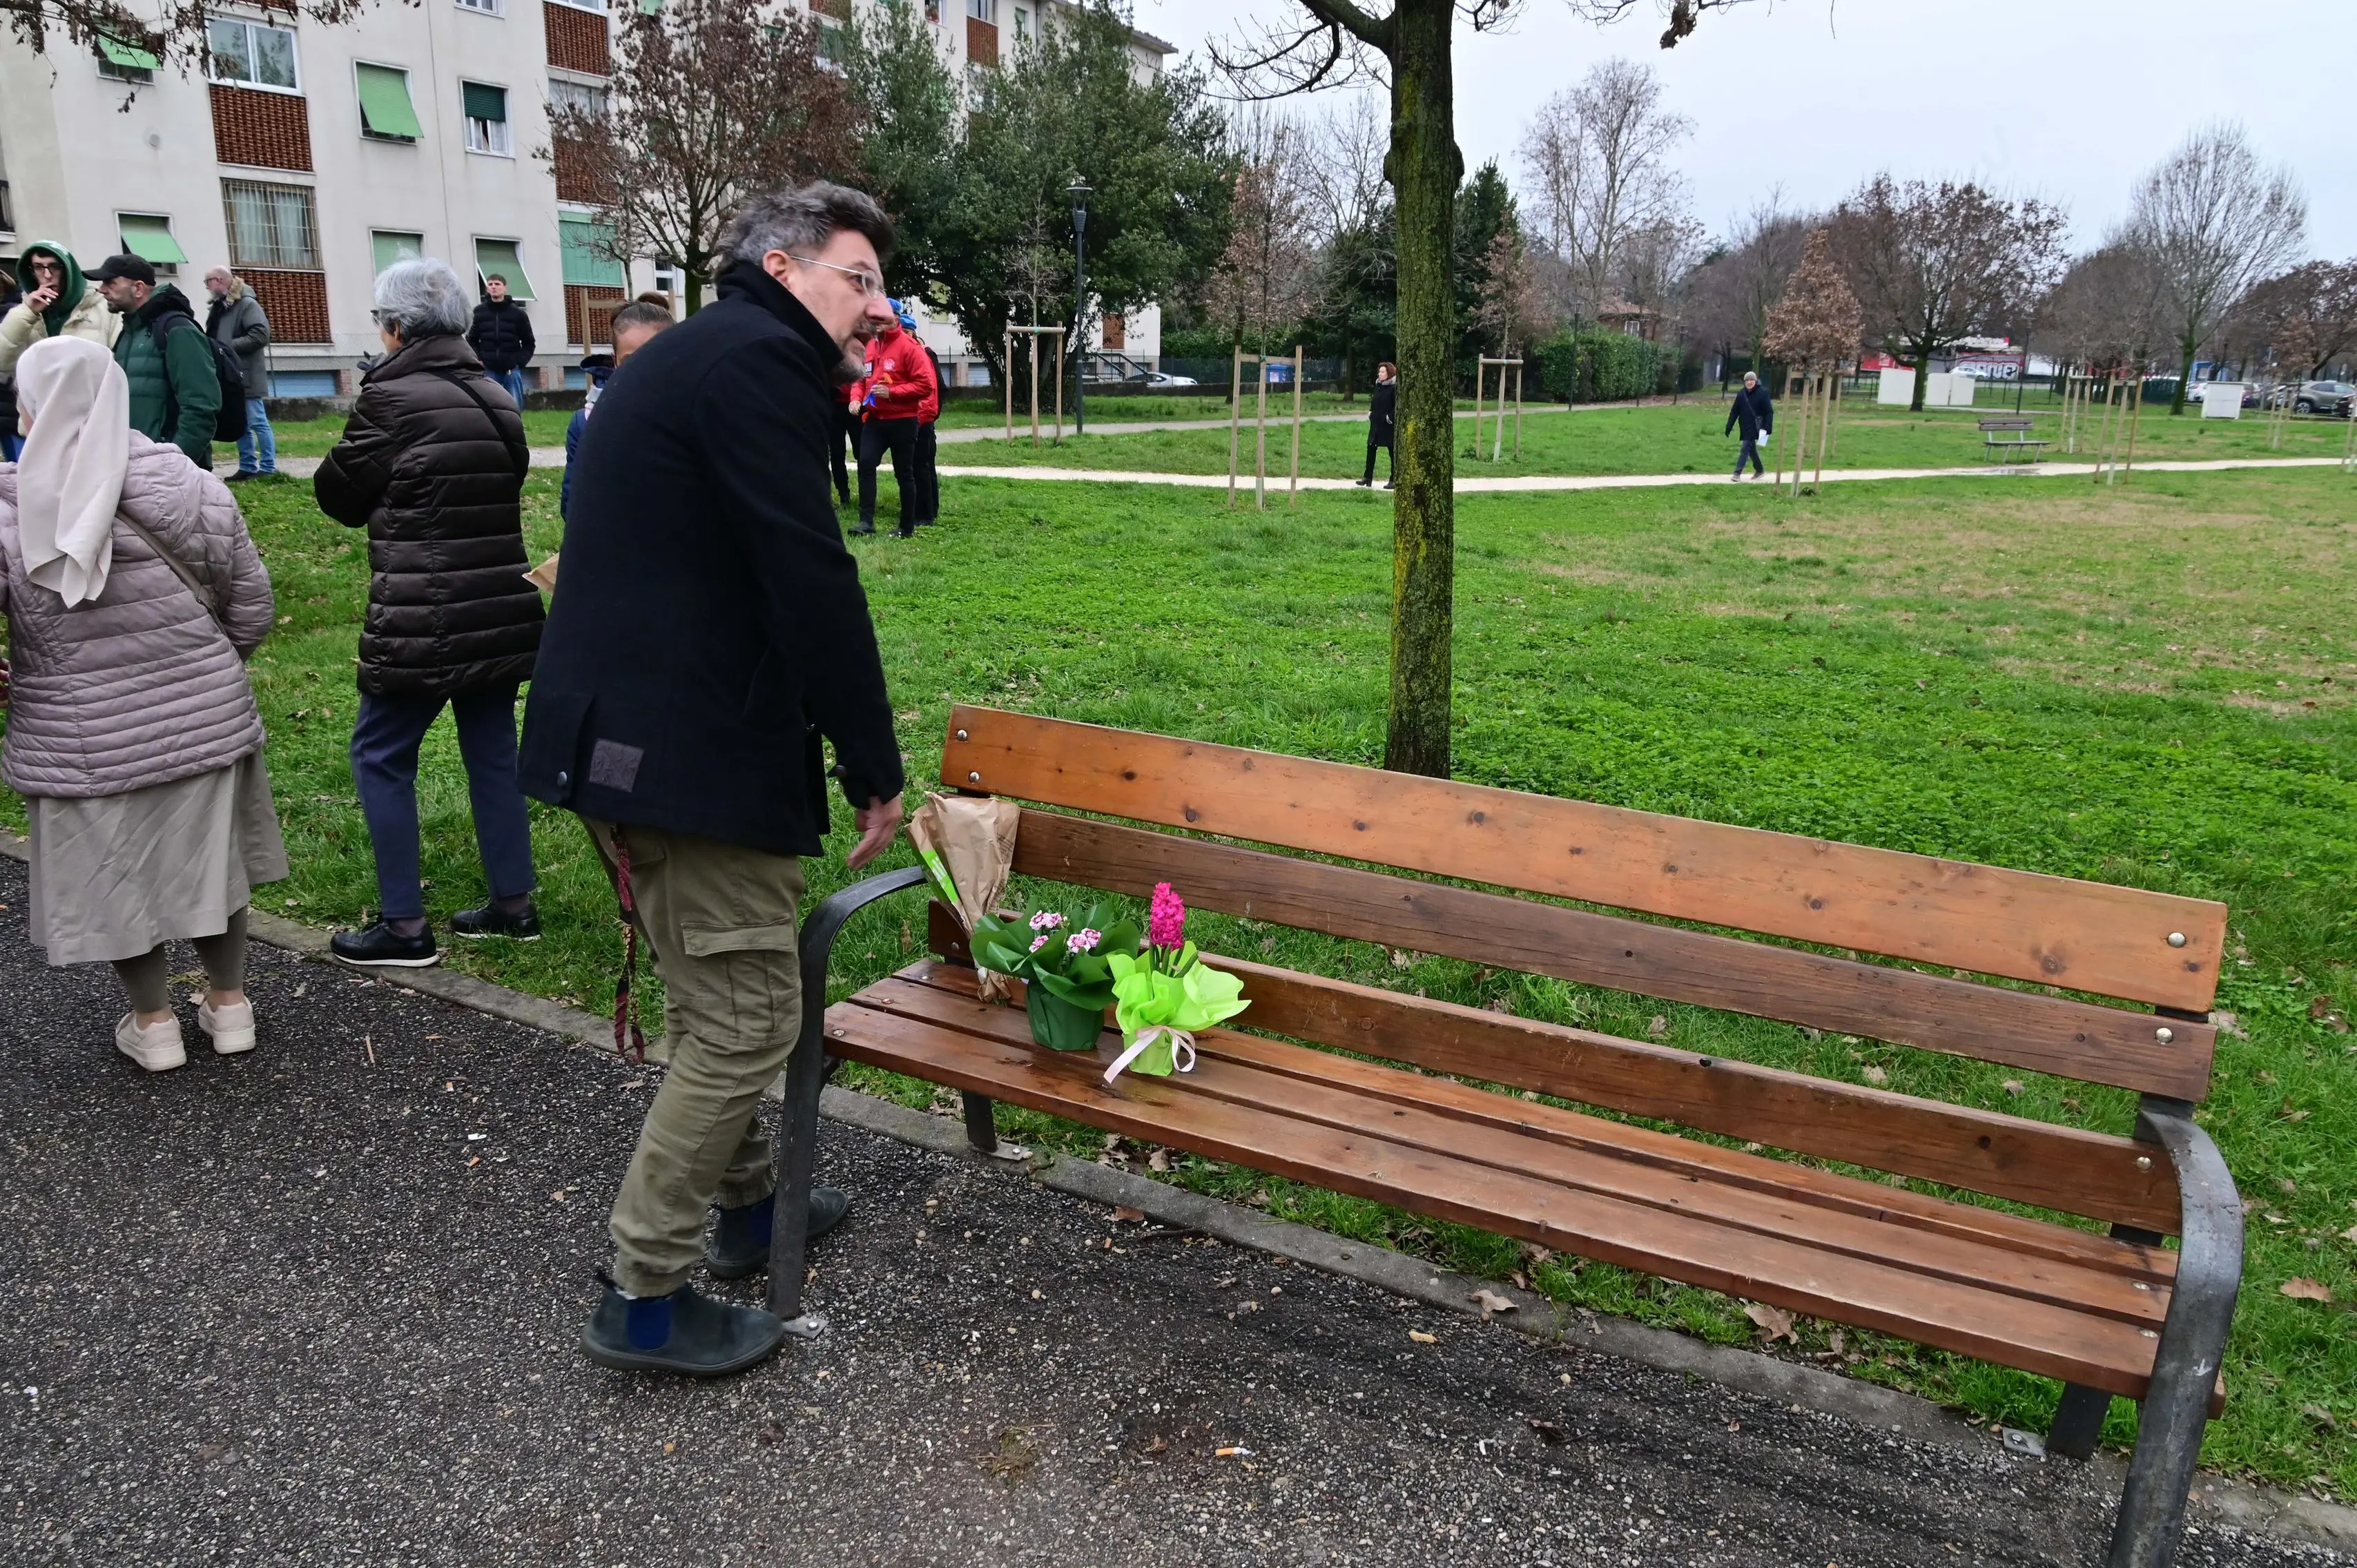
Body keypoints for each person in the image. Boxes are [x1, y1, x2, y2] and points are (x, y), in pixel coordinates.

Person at [517, 181, 906, 1377]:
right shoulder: (755, 365)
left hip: (626, 737)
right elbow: (807, 574)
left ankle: (747, 1211)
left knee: (715, 1001)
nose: (878, 308)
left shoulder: (702, 352)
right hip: (684, 753)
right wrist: (873, 763)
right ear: (783, 267)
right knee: (743, 1023)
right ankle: (641, 1295)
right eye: (859, 279)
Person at [0, 336, 283, 1072]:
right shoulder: (189, 482)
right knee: (213, 866)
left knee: (117, 880)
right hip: (204, 720)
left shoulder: (10, 508)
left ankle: (154, 1025)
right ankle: (230, 1006)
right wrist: (198, 674)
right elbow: (251, 608)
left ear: (31, 408)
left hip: (82, 738)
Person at [313, 258, 546, 967]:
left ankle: (404, 925)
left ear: (395, 327)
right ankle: (514, 903)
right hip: (499, 603)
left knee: (380, 754)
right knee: (493, 752)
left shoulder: (390, 399)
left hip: (423, 611)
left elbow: (338, 495)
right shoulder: (496, 395)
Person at [92, 254, 222, 470]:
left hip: (169, 469)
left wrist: (175, 463)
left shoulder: (177, 330)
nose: (102, 290)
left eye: (111, 283)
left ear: (138, 288)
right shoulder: (129, 334)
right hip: (137, 464)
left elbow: (201, 405)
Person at [561, 296, 675, 521]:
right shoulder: (587, 422)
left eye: (656, 357)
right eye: (630, 361)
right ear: (615, 361)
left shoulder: (697, 414)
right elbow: (572, 505)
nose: (643, 370)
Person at [851, 296, 937, 538]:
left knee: (904, 473)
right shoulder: (871, 346)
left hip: (903, 420)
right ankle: (866, 522)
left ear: (895, 319)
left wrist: (892, 393)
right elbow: (861, 379)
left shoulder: (910, 348)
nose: (876, 322)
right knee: (865, 463)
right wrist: (856, 398)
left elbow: (926, 386)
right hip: (875, 420)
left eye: (881, 318)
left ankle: (906, 526)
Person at [0, 243, 122, 392]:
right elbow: (2, 364)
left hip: (91, 402)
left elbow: (120, 368)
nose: (47, 275)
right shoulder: (24, 312)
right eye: (38, 267)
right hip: (39, 404)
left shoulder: (104, 308)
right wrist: (27, 312)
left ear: (68, 271)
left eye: (55, 267)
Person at [204, 268, 275, 481]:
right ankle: (247, 466)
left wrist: (226, 347)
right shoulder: (221, 307)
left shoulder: (247, 304)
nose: (207, 287)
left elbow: (260, 335)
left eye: (207, 282)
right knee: (240, 422)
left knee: (257, 421)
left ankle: (268, 467)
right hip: (230, 374)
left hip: (247, 373)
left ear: (219, 280)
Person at [466, 273, 536, 407]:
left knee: (515, 407)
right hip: (488, 370)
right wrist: (479, 359)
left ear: (505, 288)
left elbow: (529, 343)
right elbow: (471, 340)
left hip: (511, 371)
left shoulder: (518, 314)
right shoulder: (479, 312)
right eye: (490, 284)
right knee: (489, 407)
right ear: (487, 289)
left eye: (497, 284)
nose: (494, 287)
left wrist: (519, 362)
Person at [1726, 369, 1774, 481]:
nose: (1749, 382)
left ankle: (1737, 473)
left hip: (1757, 426)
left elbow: (1769, 412)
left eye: (1751, 380)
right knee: (1751, 449)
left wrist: (1768, 427)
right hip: (1744, 425)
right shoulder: (1741, 394)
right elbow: (1735, 411)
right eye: (1747, 380)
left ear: (1755, 381)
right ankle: (1760, 470)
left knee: (1745, 447)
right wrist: (1729, 425)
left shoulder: (1763, 393)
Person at [915, 339, 942, 527]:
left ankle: (926, 514)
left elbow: (930, 391)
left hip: (923, 419)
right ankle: (929, 509)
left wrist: (919, 418)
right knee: (924, 466)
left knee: (921, 466)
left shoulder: (924, 354)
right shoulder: (923, 352)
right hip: (924, 417)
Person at [1357, 360, 1397, 489]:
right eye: (1379, 372)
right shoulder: (1378, 386)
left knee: (1392, 451)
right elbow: (1374, 402)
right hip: (1376, 423)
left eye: (1383, 372)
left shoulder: (1394, 388)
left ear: (1389, 373)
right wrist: (1371, 412)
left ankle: (1394, 479)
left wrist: (1390, 418)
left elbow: (1396, 406)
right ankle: (1367, 478)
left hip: (1388, 425)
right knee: (1371, 448)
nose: (1380, 374)